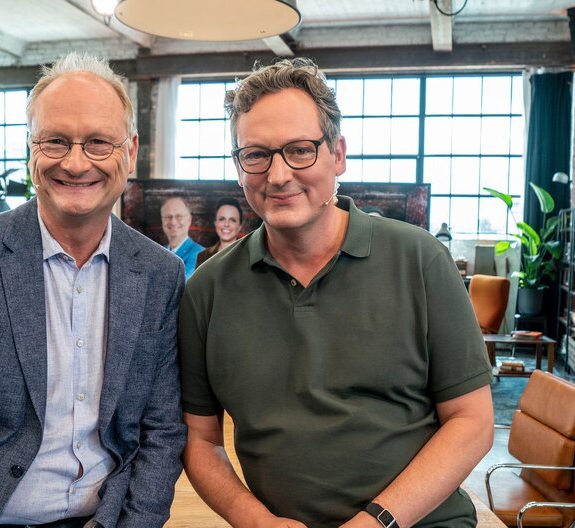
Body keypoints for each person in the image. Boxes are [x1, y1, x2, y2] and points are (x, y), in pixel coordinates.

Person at [179, 57, 494, 528]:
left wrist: (377, 521)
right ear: (239, 166)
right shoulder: (207, 289)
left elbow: (472, 422)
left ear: (338, 154)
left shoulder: (419, 259)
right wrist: (254, 520)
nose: (279, 174)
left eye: (300, 150)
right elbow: (200, 440)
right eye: (256, 155)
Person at [0, 53, 187, 528]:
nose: (74, 162)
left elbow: (162, 431)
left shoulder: (159, 273)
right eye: (55, 141)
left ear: (129, 151)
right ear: (31, 150)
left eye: (97, 143)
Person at [160, 195, 204, 280]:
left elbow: (181, 285)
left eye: (179, 216)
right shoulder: (157, 252)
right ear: (162, 220)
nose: (173, 222)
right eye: (168, 217)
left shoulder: (201, 254)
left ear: (189, 220)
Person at [195, 197, 243, 268]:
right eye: (222, 219)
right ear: (215, 223)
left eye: (233, 220)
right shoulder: (203, 256)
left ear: (240, 226)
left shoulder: (248, 256)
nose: (226, 224)